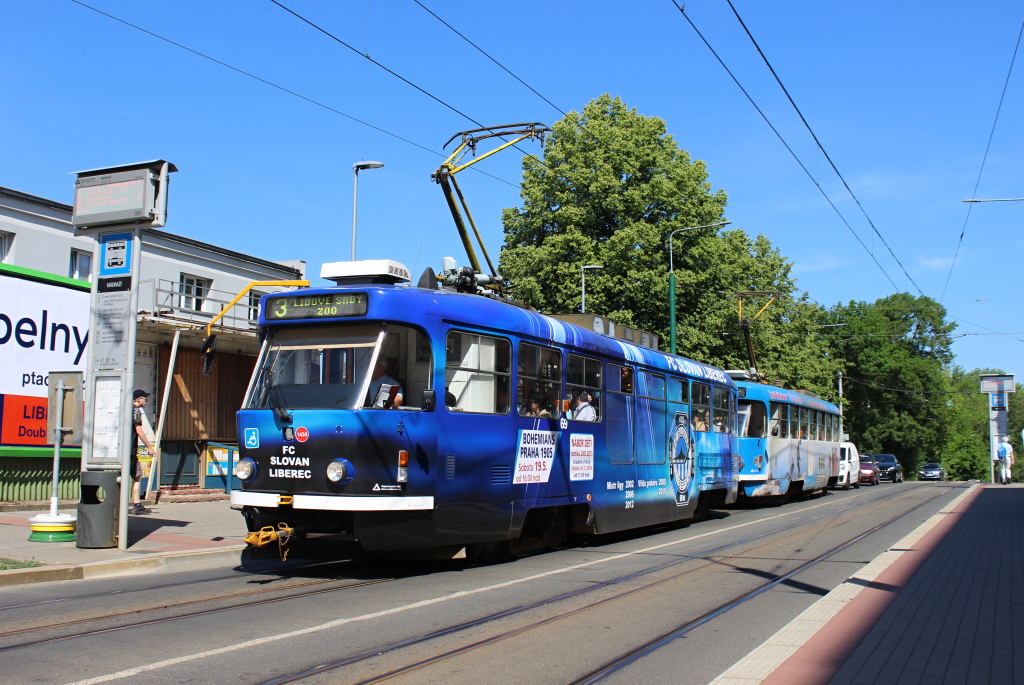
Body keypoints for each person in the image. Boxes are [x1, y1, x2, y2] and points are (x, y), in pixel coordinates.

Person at [130, 389, 154, 515]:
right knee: (137, 476)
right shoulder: (136, 411)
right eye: (145, 398)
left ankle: (120, 503)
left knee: (122, 477)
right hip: (131, 451)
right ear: (138, 399)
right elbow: (139, 431)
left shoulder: (125, 410)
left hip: (120, 451)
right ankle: (136, 504)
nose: (146, 401)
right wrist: (149, 447)